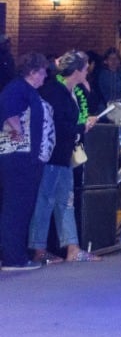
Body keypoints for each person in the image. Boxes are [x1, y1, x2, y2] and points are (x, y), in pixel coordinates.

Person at [29, 51, 100, 263]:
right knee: (47, 200)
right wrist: (81, 127)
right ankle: (40, 249)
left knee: (64, 201)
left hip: (64, 153)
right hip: (52, 155)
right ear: (77, 71)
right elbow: (58, 125)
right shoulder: (55, 92)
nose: (87, 71)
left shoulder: (69, 90)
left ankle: (71, 247)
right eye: (85, 68)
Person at [0, 53, 52, 271]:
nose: (45, 76)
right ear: (32, 72)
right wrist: (18, 130)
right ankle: (13, 258)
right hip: (18, 156)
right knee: (17, 206)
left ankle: (15, 255)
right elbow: (7, 107)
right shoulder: (18, 87)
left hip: (24, 156)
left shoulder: (26, 89)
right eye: (43, 71)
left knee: (20, 206)